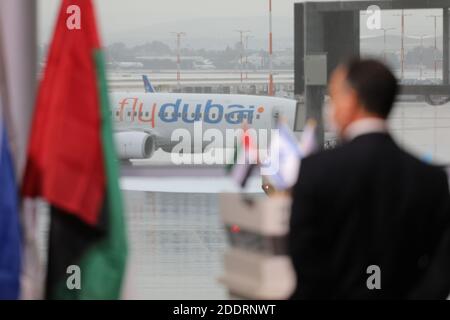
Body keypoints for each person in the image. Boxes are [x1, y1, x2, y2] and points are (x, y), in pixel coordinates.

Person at [288, 59, 450, 299]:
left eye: (333, 97)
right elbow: (441, 270)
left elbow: (306, 263)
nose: (330, 108)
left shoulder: (315, 171)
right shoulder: (431, 179)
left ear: (351, 100)